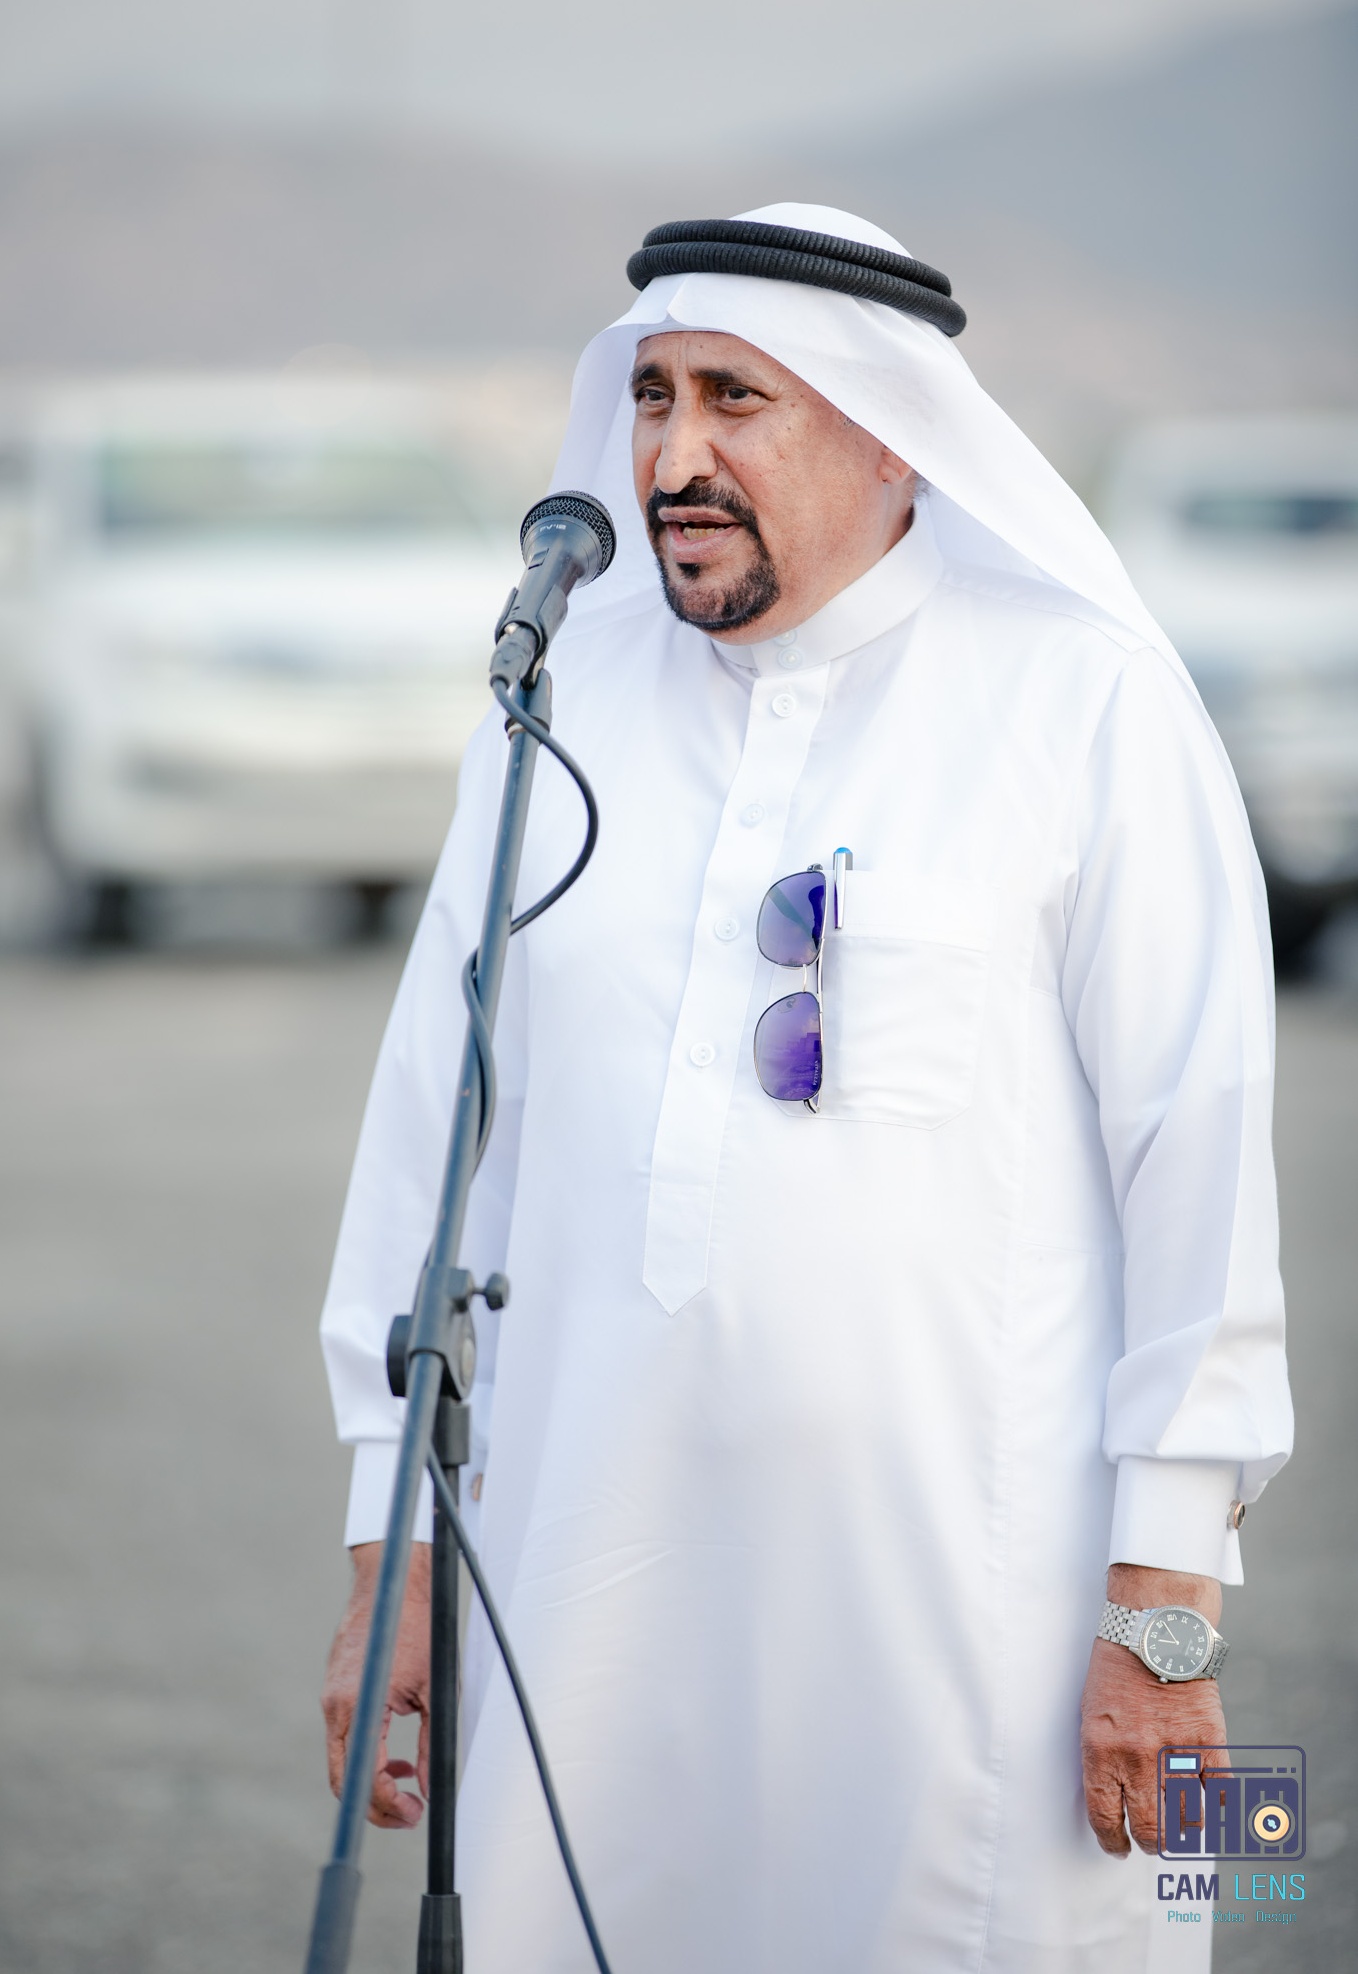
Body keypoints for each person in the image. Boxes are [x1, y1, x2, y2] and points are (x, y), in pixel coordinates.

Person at [318, 206, 1293, 1973]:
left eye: (735, 400)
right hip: (581, 1595)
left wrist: (1164, 1620)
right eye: (652, 398)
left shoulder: (1085, 701)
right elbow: (437, 1143)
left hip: (976, 1616)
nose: (672, 459)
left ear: (889, 428)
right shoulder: (556, 711)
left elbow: (1200, 1174)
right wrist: (390, 1542)